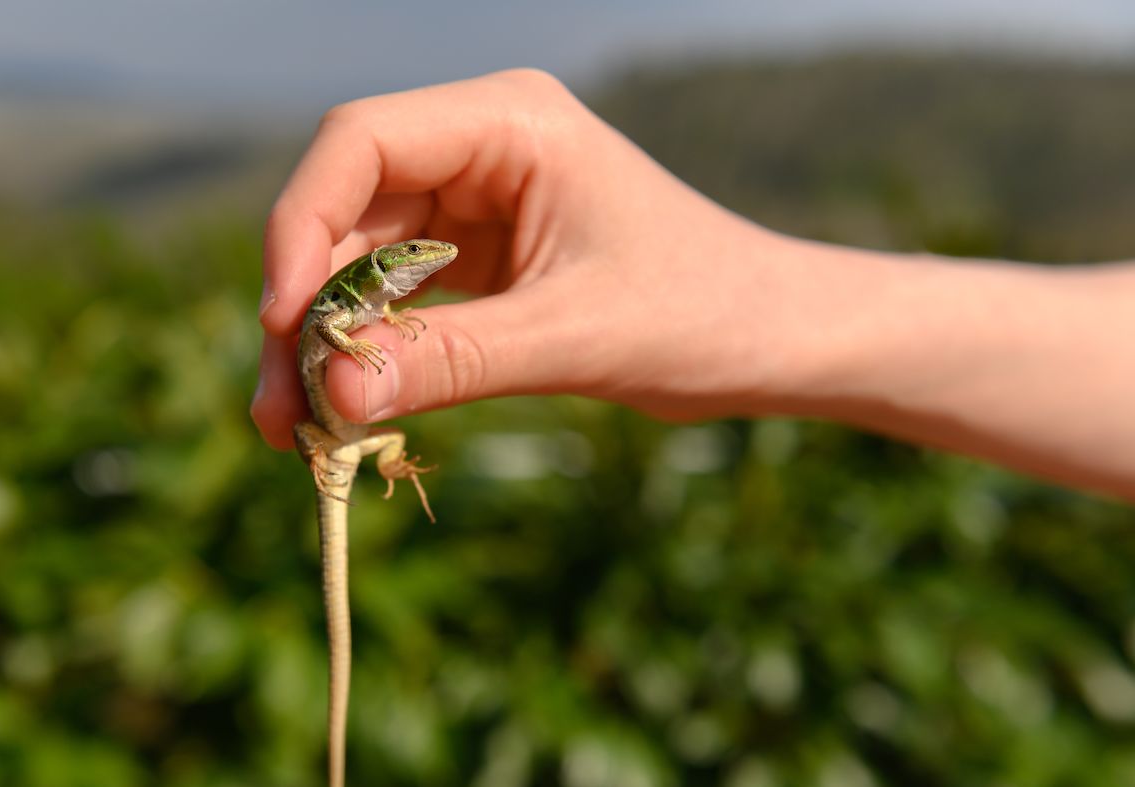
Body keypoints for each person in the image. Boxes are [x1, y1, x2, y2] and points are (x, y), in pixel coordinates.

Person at [253, 68, 1135, 500]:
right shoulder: (350, 300)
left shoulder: (370, 299)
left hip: (347, 431)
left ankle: (387, 462)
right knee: (334, 432)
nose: (427, 262)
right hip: (325, 434)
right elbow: (327, 325)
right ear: (384, 270)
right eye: (411, 263)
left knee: (370, 436)